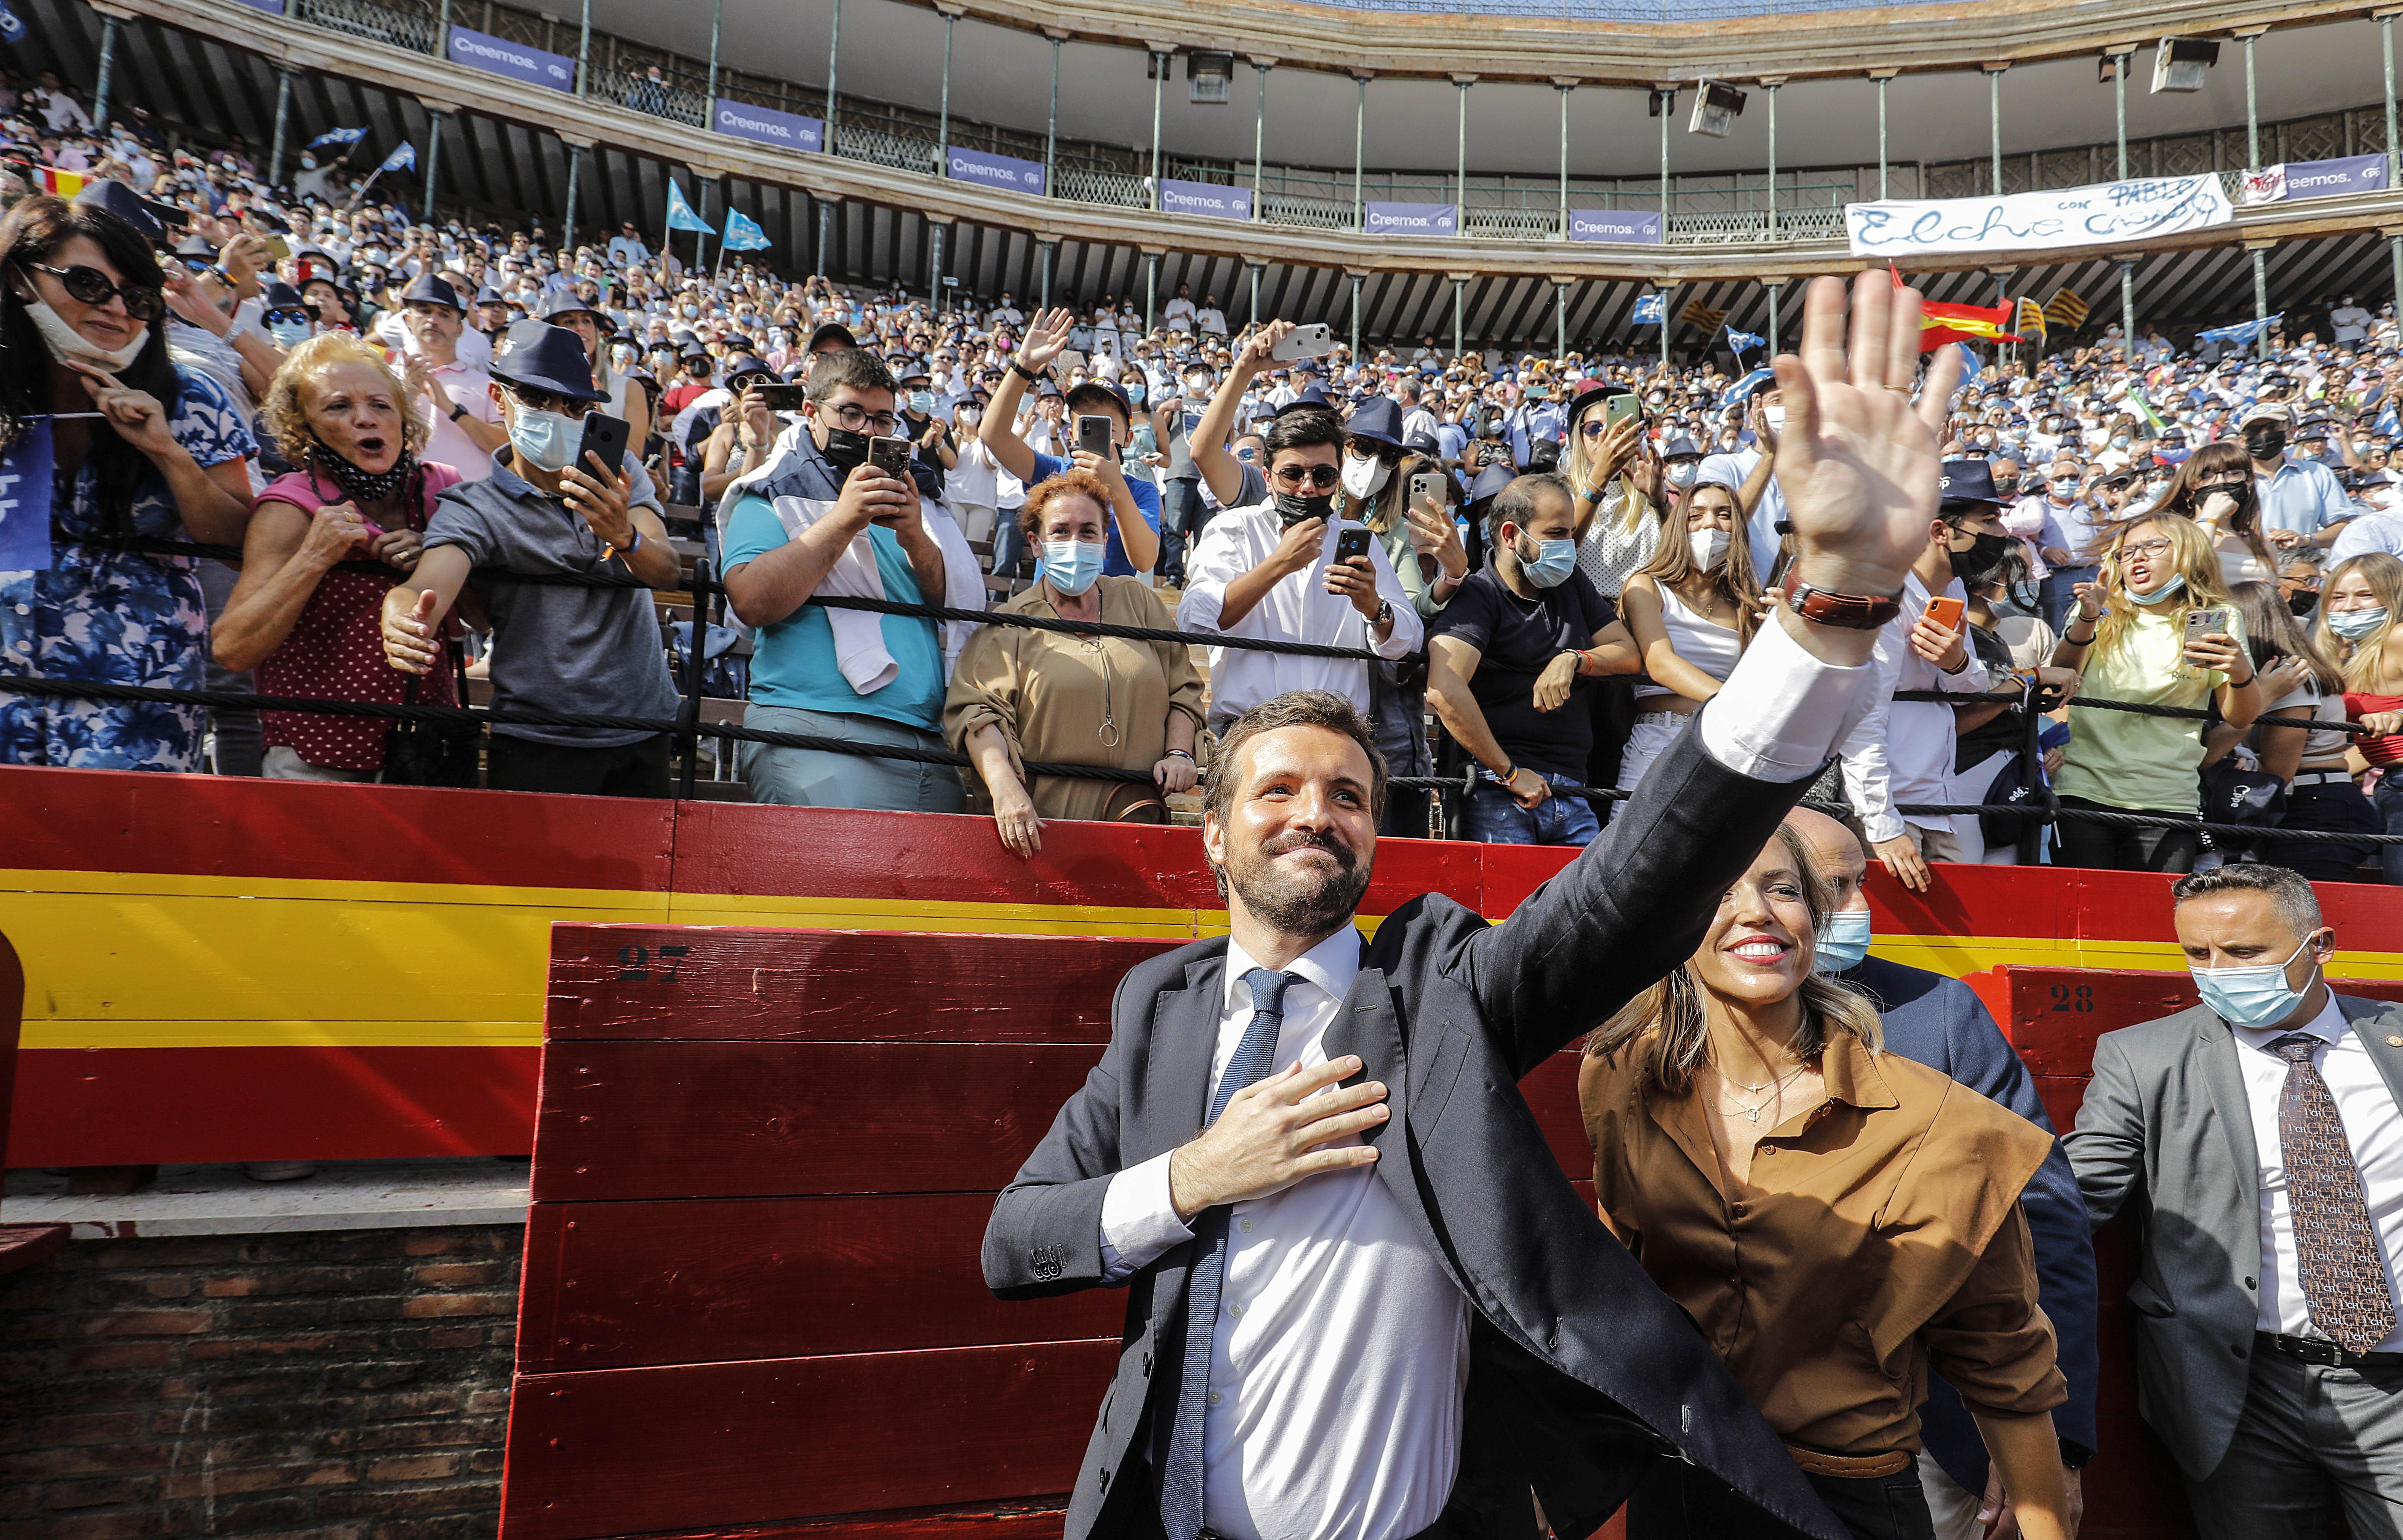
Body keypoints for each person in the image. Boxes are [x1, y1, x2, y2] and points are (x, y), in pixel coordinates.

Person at [984, 272, 1968, 1540]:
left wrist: (1827, 604)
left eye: (1345, 794)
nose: (1311, 812)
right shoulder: (1157, 1010)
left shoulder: (1436, 988)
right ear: (1215, 839)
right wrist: (1194, 1178)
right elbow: (1017, 1244)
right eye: (1273, 790)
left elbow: (1642, 878)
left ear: (1372, 836)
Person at [1582, 824, 2073, 1540]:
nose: (1757, 910)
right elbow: (1614, 1283)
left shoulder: (1941, 1124)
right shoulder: (1620, 1078)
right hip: (1674, 1487)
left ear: (1813, 918)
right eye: (1720, 889)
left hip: (1847, 1504)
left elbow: (2007, 1365)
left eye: (1783, 889)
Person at [1780, 808, 2099, 1540]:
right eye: (1835, 887)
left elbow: (2042, 1216)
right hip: (1732, 1424)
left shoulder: (1941, 1010)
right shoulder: (1665, 1023)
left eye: (1861, 882)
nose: (1859, 908)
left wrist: (2049, 1444)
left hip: (1938, 1435)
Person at [2068, 863, 2403, 1540]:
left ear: (2322, 944)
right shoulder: (2143, 1057)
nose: (2219, 971)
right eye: (2198, 953)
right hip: (2238, 1392)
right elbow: (2075, 1197)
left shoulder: (2392, 1037)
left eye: (2246, 952)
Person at [0, 194, 257, 773]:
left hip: (137, 682)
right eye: (89, 283)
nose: (116, 308)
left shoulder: (190, 396)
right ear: (19, 280)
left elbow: (240, 541)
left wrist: (167, 454)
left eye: (137, 297)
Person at [379, 320, 683, 796]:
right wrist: (403, 619)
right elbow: (424, 588)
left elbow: (665, 569)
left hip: (642, 727)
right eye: (537, 398)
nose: (557, 414)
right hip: (538, 739)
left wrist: (623, 536)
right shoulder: (476, 506)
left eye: (574, 405)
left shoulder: (617, 470)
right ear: (500, 400)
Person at [715, 348, 971, 813]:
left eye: (883, 419)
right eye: (851, 413)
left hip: (924, 740)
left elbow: (949, 602)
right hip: (812, 728)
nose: (868, 431)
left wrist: (914, 536)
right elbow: (751, 601)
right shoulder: (773, 491)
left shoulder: (919, 500)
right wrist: (843, 521)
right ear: (811, 412)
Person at [214, 336, 460, 781]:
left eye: (381, 406)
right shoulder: (288, 509)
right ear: (304, 428)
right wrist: (313, 558)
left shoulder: (442, 492)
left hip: (427, 745)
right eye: (338, 407)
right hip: (317, 753)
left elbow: (484, 616)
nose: (366, 419)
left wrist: (440, 555)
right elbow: (233, 649)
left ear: (404, 418)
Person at [945, 469, 1204, 856]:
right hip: (1042, 826)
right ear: (1036, 543)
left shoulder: (1139, 600)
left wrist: (1179, 753)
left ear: (1104, 541)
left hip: (1136, 822)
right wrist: (1005, 791)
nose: (1074, 542)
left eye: (1087, 531)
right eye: (1060, 531)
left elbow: (1182, 688)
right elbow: (978, 714)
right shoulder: (1010, 623)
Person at [1176, 406, 1422, 731]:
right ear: (1268, 478)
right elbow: (1195, 620)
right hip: (1252, 733)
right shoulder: (1234, 529)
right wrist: (1279, 564)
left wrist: (1375, 608)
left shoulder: (1360, 540)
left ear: (1338, 479)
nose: (1308, 487)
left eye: (1323, 476)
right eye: (1292, 475)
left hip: (1338, 734)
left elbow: (1408, 641)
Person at [2050, 512, 2264, 872]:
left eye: (2152, 546)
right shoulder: (2100, 607)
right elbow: (2062, 677)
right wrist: (2088, 618)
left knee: (2150, 923)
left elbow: (2240, 718)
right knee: (2083, 922)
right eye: (2128, 550)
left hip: (2167, 795)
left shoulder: (2215, 616)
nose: (2137, 556)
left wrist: (2241, 671)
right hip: (2082, 787)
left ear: (2187, 553)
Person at [1425, 474, 1631, 847]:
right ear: (1510, 535)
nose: (1568, 545)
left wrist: (1573, 659)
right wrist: (1509, 772)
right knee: (1506, 908)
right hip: (1500, 795)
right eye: (1556, 533)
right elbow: (1443, 689)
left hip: (1574, 793)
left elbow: (1626, 651)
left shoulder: (1571, 583)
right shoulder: (1479, 595)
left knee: (1586, 906)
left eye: (1570, 532)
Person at [1836, 460, 2013, 888]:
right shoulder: (1883, 597)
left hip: (1940, 803)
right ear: (1940, 532)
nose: (2002, 533)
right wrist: (1882, 825)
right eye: (1987, 520)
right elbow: (1863, 721)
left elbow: (1966, 691)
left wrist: (1957, 664)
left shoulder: (1952, 586)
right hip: (1890, 812)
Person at [2202, 582, 2382, 879]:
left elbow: (2278, 771)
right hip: (2310, 805)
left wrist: (2265, 698)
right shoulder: (2280, 673)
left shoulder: (2290, 676)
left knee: (2298, 915)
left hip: (2318, 808)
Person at [981, 307, 1161, 577]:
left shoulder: (1141, 492)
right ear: (1071, 436)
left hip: (1108, 612)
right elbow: (993, 435)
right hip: (1049, 613)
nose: (1100, 434)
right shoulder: (1052, 472)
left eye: (1109, 427)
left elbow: (1144, 560)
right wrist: (1025, 365)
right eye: (1088, 425)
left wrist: (1116, 488)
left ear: (1128, 438)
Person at [1615, 474, 1761, 795]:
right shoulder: (1645, 587)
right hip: (1660, 740)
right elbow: (1661, 663)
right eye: (1696, 516)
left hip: (1727, 745)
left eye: (1724, 515)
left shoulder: (1750, 607)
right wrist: (1736, 704)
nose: (1710, 526)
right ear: (1678, 526)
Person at [2321, 553, 2403, 883]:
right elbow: (2372, 744)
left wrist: (2398, 714)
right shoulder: (2353, 653)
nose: (2350, 607)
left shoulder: (2398, 636)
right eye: (2339, 597)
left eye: (2365, 595)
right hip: (2388, 784)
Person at [390, 272, 507, 483]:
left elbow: (505, 448)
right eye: (424, 312)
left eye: (445, 315)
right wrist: (407, 396)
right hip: (403, 500)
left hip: (471, 503)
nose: (433, 320)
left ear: (460, 328)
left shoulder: (486, 384)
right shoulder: (386, 378)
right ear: (408, 320)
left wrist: (452, 410)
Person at [2163, 443, 2282, 587]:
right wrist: (2210, 518)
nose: (2221, 482)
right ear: (2189, 488)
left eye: (2234, 474)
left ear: (2248, 482)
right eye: (2207, 476)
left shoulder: (2264, 547)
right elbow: (2185, 573)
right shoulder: (2170, 534)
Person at [2246, 404, 2354, 551]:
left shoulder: (2318, 473)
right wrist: (2255, 542)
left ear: (2291, 432)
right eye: (2254, 430)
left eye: (2273, 427)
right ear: (2243, 439)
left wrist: (2306, 540)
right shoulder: (2232, 479)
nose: (2264, 434)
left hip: (2302, 568)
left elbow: (2341, 526)